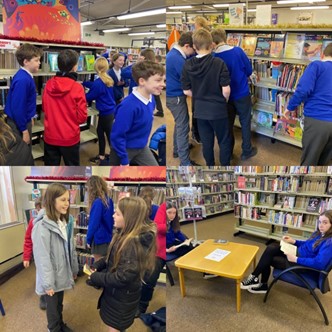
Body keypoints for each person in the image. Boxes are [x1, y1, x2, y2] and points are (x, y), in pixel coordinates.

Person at [87, 197, 157, 332]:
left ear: (129, 218)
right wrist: (99, 265)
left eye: (118, 213)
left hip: (121, 300)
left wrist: (96, 277)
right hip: (116, 296)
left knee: (114, 328)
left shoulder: (132, 244)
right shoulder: (122, 234)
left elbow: (123, 277)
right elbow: (112, 259)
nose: (113, 215)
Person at [241, 210, 332, 294]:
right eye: (320, 222)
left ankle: (259, 281)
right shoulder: (319, 233)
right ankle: (255, 278)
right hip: (296, 253)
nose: (321, 225)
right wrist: (294, 241)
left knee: (268, 258)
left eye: (325, 222)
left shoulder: (329, 242)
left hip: (302, 265)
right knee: (271, 248)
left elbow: (319, 263)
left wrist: (296, 259)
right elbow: (307, 245)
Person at [32, 183, 78, 332]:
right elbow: (42, 257)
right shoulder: (42, 227)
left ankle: (59, 325)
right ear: (52, 201)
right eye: (63, 200)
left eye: (68, 199)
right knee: (52, 308)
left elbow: (69, 249)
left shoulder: (64, 221)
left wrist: (73, 268)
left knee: (59, 304)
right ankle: (54, 328)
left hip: (62, 272)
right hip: (50, 277)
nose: (67, 203)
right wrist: (48, 283)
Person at [181, 28, 231, 166]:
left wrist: (198, 95)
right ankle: (225, 166)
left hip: (200, 110)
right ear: (211, 45)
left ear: (194, 47)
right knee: (224, 140)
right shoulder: (219, 63)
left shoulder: (187, 65)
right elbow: (226, 89)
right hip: (219, 109)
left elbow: (186, 91)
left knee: (206, 142)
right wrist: (223, 100)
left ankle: (210, 165)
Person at [212, 28, 257, 161]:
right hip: (242, 94)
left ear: (213, 43)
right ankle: (246, 150)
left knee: (228, 125)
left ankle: (228, 153)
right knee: (245, 122)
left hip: (225, 98)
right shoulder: (237, 51)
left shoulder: (214, 57)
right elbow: (249, 70)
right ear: (224, 38)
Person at [109, 60, 165, 166]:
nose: (163, 84)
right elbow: (117, 136)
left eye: (163, 80)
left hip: (142, 147)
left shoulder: (151, 98)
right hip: (124, 150)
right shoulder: (128, 106)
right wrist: (124, 161)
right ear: (142, 81)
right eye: (158, 80)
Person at [285, 43, 332, 165]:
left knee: (309, 160)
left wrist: (290, 107)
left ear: (322, 55)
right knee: (324, 160)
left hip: (317, 119)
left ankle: (302, 183)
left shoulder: (316, 65)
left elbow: (303, 90)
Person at [42, 49, 87, 166]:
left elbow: (45, 108)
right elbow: (82, 117)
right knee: (73, 172)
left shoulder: (48, 85)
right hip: (70, 137)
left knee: (50, 172)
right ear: (75, 67)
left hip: (50, 135)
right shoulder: (77, 88)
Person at [166, 31, 198, 166]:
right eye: (193, 49)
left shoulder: (173, 54)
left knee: (179, 124)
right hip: (176, 97)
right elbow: (188, 78)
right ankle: (185, 162)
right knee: (183, 127)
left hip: (173, 96)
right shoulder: (177, 59)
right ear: (186, 45)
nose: (193, 52)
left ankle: (177, 150)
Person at [4, 43, 42, 147]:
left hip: (22, 121)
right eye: (36, 60)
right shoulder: (23, 80)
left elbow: (27, 102)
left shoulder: (25, 76)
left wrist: (30, 118)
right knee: (22, 152)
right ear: (26, 62)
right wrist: (24, 130)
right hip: (18, 124)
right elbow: (18, 107)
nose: (39, 63)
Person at [83, 57, 116, 164]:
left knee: (109, 137)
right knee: (100, 133)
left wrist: (77, 92)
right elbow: (96, 86)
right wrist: (84, 83)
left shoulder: (98, 83)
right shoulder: (107, 79)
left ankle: (115, 160)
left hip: (106, 113)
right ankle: (101, 156)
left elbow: (88, 97)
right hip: (109, 112)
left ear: (95, 67)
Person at [138, 202, 167, 316]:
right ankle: (142, 305)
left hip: (173, 244)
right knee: (149, 278)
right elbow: (157, 226)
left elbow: (177, 231)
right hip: (160, 250)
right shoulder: (164, 206)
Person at [22, 200, 45, 309]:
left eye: (42, 208)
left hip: (50, 255)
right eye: (38, 209)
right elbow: (28, 240)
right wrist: (26, 257)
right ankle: (43, 296)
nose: (40, 211)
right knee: (41, 276)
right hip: (39, 256)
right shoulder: (33, 222)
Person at [86, 175, 114, 261]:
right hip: (108, 238)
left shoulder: (98, 202)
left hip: (99, 239)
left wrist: (88, 239)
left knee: (98, 264)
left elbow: (93, 223)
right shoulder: (109, 200)